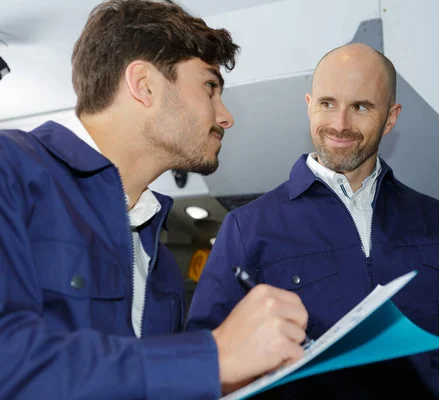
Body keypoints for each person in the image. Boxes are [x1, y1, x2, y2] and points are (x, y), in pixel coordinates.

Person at [185, 43, 439, 399]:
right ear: (309, 106)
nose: (340, 123)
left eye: (361, 106)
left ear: (390, 118)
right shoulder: (248, 228)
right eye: (328, 104)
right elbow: (204, 364)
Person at [0, 1, 309, 398]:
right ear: (144, 84)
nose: (226, 115)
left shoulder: (160, 264)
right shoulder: (11, 169)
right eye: (210, 87)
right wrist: (214, 357)